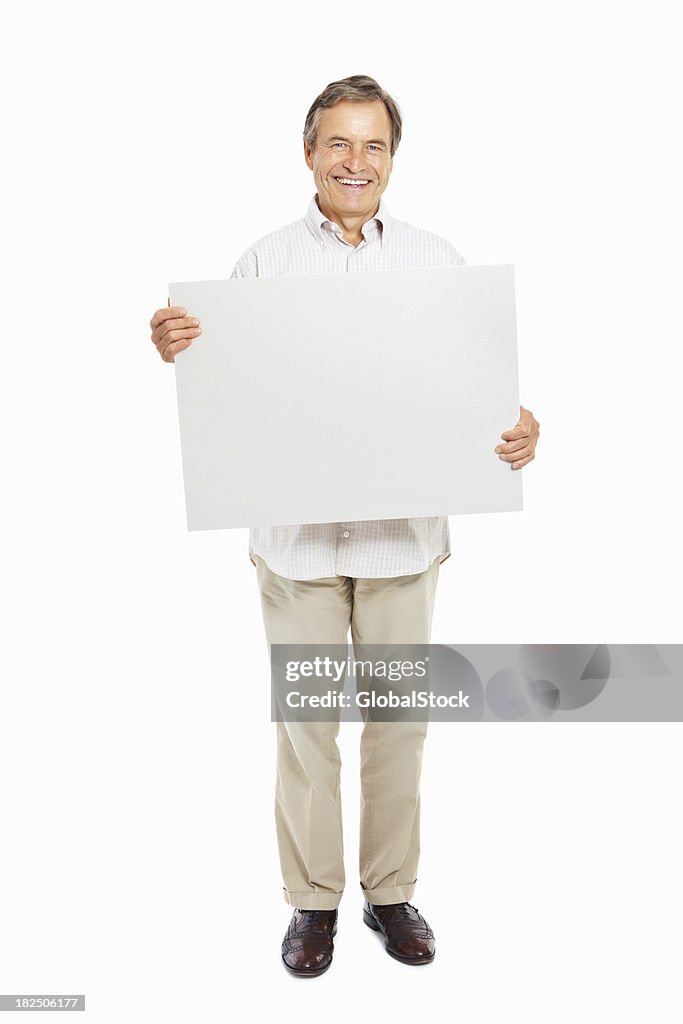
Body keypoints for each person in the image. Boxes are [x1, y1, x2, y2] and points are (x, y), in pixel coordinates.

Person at [149, 75, 540, 976]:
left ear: (392, 159)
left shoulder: (440, 261)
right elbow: (226, 393)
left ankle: (390, 891)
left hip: (403, 540)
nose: (354, 162)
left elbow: (469, 391)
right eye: (338, 143)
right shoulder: (259, 266)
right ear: (308, 153)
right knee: (307, 728)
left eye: (372, 146)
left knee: (400, 723)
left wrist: (520, 429)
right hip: (299, 545)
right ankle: (312, 902)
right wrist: (176, 350)